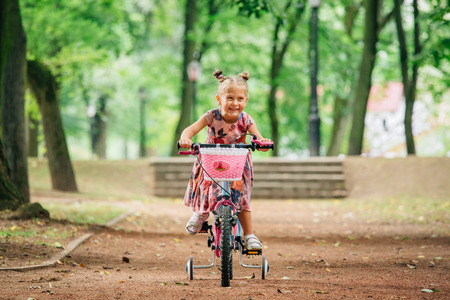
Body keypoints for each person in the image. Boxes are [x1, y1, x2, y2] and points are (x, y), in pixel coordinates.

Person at [178, 69, 272, 250]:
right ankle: (201, 213)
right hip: (212, 160)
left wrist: (262, 143)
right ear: (219, 99)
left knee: (242, 198)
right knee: (207, 187)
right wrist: (185, 139)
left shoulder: (246, 120)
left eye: (240, 99)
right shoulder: (211, 116)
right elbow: (190, 130)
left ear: (246, 100)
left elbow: (258, 138)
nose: (235, 103)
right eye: (229, 98)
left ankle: (249, 235)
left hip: (238, 163)